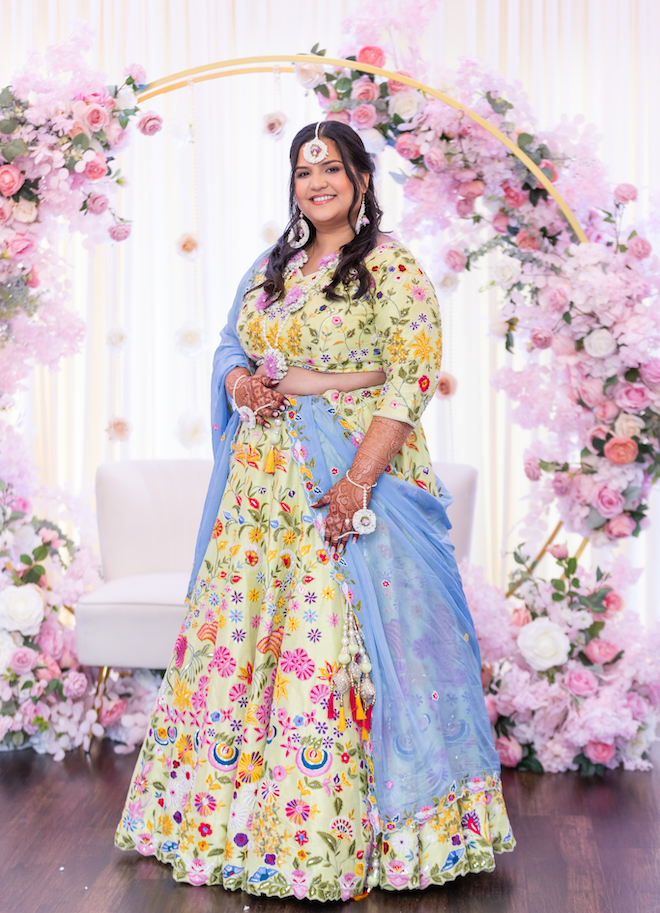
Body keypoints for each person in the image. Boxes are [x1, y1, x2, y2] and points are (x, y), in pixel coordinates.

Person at [115, 121, 514, 900]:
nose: (317, 181)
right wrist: (241, 387)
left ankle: (332, 834)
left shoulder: (393, 269)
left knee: (327, 641)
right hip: (258, 489)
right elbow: (232, 343)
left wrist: (358, 481)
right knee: (242, 638)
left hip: (340, 474)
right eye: (304, 171)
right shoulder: (274, 265)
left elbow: (408, 379)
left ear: (362, 178)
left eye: (332, 167)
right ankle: (223, 824)